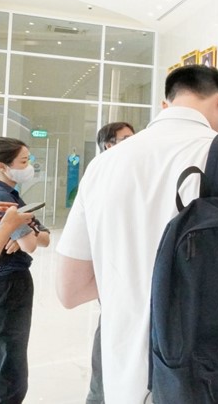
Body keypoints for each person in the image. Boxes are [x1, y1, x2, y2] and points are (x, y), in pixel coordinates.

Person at [55, 65, 218, 403]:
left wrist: (133, 279)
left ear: (166, 102)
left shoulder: (102, 166)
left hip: (123, 378)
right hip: (205, 374)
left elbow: (70, 289)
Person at [87, 122, 138, 404]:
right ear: (109, 145)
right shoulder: (100, 176)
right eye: (126, 138)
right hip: (115, 277)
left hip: (132, 275)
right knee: (109, 339)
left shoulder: (132, 173)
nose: (134, 142)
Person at [0, 138, 51, 404]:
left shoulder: (13, 197)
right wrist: (17, 231)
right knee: (11, 352)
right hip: (10, 282)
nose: (29, 166)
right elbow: (32, 244)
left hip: (10, 280)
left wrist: (27, 234)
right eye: (23, 161)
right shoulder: (5, 201)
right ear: (2, 166)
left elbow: (44, 236)